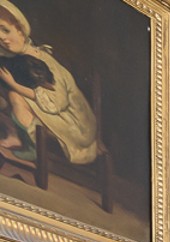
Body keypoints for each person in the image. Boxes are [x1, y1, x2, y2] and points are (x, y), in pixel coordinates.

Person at [0, 1, 103, 167]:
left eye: (5, 30)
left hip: (76, 126)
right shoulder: (17, 55)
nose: (2, 38)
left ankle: (30, 145)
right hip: (56, 112)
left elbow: (56, 103)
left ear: (20, 30)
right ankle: (15, 134)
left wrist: (12, 83)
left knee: (14, 94)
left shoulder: (43, 62)